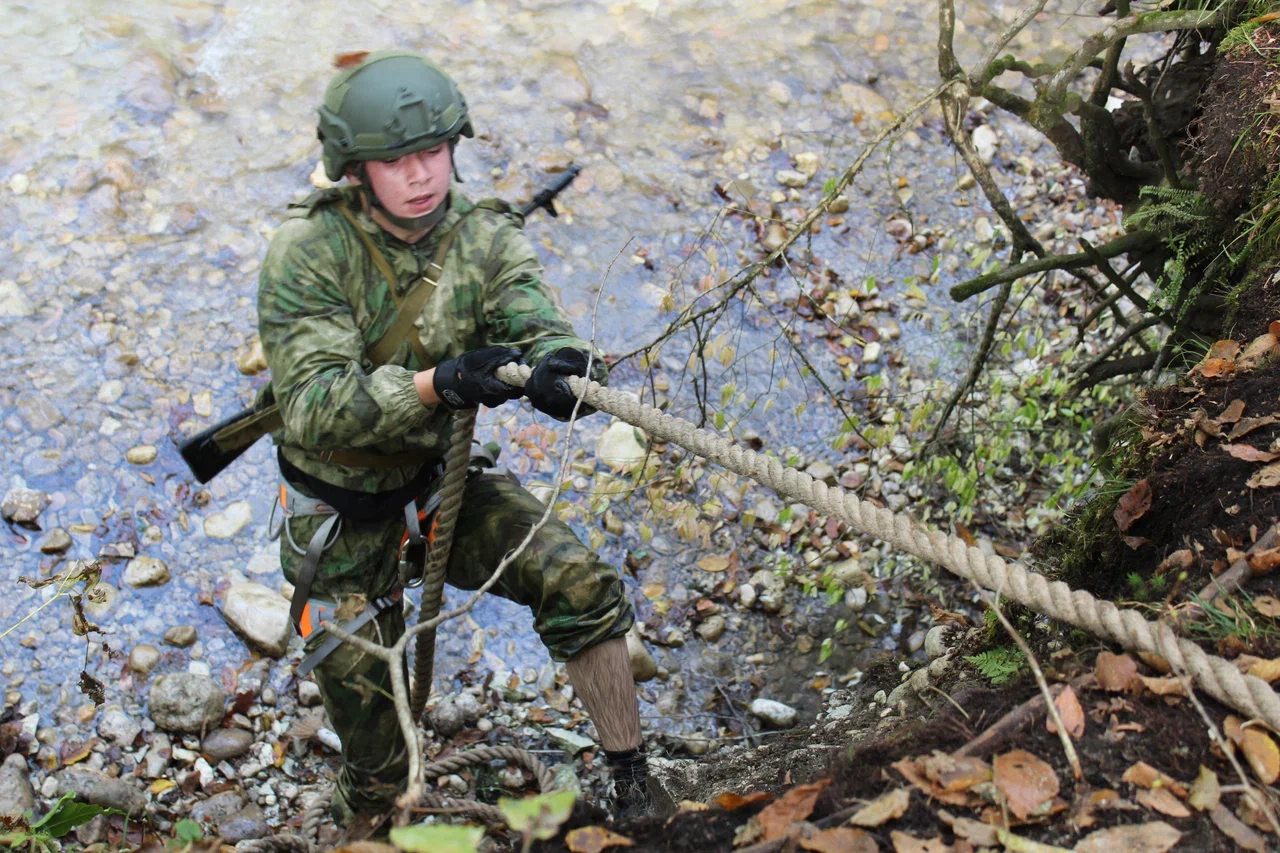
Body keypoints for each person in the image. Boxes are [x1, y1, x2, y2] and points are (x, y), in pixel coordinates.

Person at [255, 50, 652, 827]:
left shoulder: (482, 235)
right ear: (355, 168)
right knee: (380, 770)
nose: (420, 175)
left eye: (433, 151)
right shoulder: (307, 253)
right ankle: (368, 824)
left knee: (577, 582)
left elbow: (528, 310)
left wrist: (557, 365)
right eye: (395, 160)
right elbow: (312, 406)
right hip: (337, 523)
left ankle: (635, 778)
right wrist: (440, 382)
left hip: (440, 487)